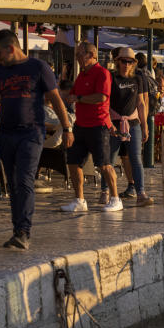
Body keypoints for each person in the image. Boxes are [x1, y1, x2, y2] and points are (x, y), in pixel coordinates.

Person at [0, 29, 73, 250]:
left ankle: (24, 231)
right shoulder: (0, 71)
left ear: (11, 48)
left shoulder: (39, 68)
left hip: (31, 133)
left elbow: (56, 99)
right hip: (6, 133)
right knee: (12, 182)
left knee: (24, 180)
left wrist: (67, 127)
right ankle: (17, 229)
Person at [61, 41, 121, 213]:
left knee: (104, 164)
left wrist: (78, 98)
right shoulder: (81, 75)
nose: (77, 58)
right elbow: (75, 94)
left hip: (98, 125)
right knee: (73, 162)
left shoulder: (102, 73)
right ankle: (79, 199)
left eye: (80, 54)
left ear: (91, 55)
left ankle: (116, 198)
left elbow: (101, 97)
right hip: (80, 125)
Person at [105, 47, 152, 207]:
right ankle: (107, 191)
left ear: (134, 63)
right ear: (118, 62)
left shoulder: (138, 78)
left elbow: (141, 103)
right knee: (110, 159)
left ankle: (141, 193)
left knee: (136, 159)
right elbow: (105, 102)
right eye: (123, 61)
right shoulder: (111, 77)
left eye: (130, 61)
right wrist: (108, 123)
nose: (126, 64)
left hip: (133, 124)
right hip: (115, 123)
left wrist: (145, 126)